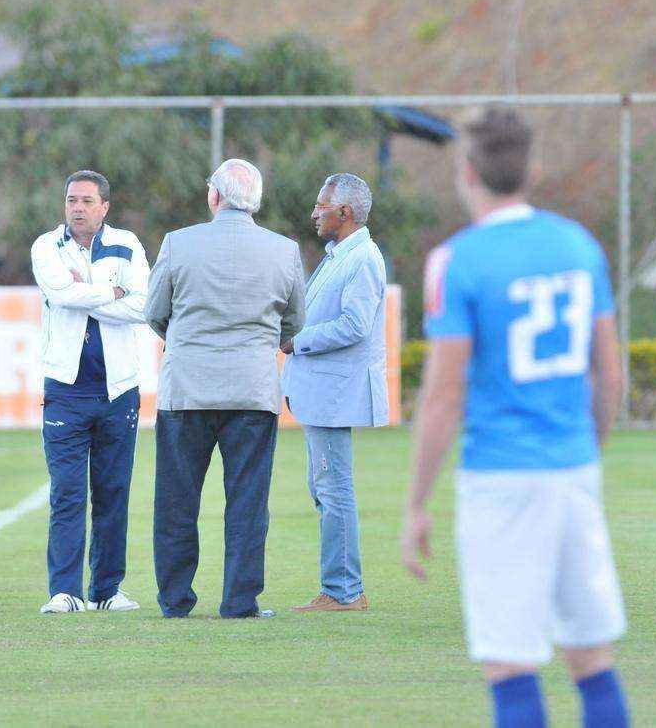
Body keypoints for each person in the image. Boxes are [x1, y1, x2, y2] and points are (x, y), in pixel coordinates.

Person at [400, 108, 630, 727]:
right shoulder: (579, 246)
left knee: (509, 664)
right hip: (573, 469)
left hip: (500, 479)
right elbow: (609, 375)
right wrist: (585, 451)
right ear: (531, 169)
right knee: (591, 656)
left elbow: (444, 396)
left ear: (467, 173)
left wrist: (417, 502)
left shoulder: (458, 260)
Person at [144, 158, 306, 619]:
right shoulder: (284, 250)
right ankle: (240, 601)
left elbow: (155, 312)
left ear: (213, 196)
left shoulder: (178, 244)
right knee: (248, 501)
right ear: (256, 202)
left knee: (177, 500)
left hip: (187, 389)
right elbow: (295, 321)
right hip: (253, 391)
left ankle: (175, 600)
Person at [31, 169, 150, 614]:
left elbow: (144, 304)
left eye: (86, 201)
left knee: (113, 491)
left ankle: (105, 590)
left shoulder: (128, 244)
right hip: (66, 389)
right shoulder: (46, 246)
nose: (77, 208)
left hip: (118, 389)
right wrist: (112, 291)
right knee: (67, 493)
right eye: (71, 200)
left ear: (104, 207)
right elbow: (61, 295)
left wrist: (92, 293)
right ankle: (64, 591)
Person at [281, 173, 388, 613]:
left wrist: (298, 339)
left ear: (344, 212)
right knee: (325, 488)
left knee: (334, 490)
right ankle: (342, 588)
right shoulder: (340, 255)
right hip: (323, 392)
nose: (314, 213)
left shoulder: (362, 258)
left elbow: (355, 325)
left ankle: (343, 591)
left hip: (334, 394)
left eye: (321, 206)